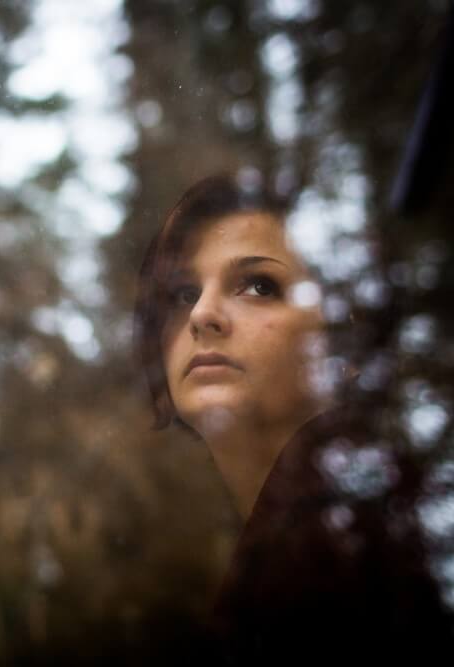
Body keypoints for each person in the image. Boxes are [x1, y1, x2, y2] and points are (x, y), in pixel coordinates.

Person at [134, 175, 454, 664]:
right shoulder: (207, 565)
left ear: (332, 330)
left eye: (259, 285)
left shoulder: (371, 539)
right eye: (181, 294)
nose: (202, 314)